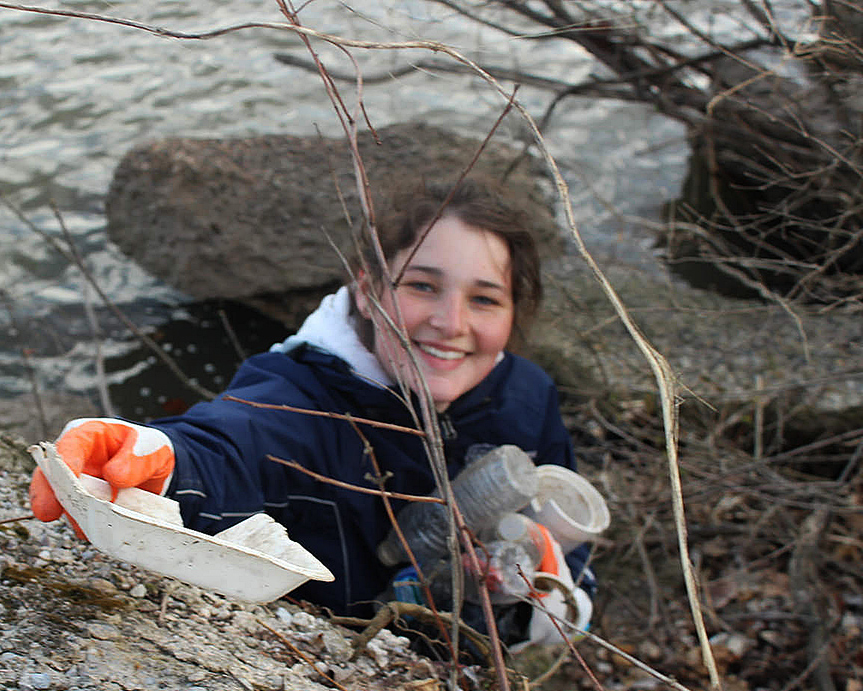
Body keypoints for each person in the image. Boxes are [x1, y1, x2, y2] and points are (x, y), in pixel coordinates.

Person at [30, 178, 595, 650]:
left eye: (485, 298)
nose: (451, 322)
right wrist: (153, 460)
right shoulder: (301, 397)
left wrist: (540, 582)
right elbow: (233, 441)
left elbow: (570, 546)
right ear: (369, 292)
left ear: (515, 313)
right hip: (353, 658)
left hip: (465, 669)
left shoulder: (527, 395)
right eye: (422, 286)